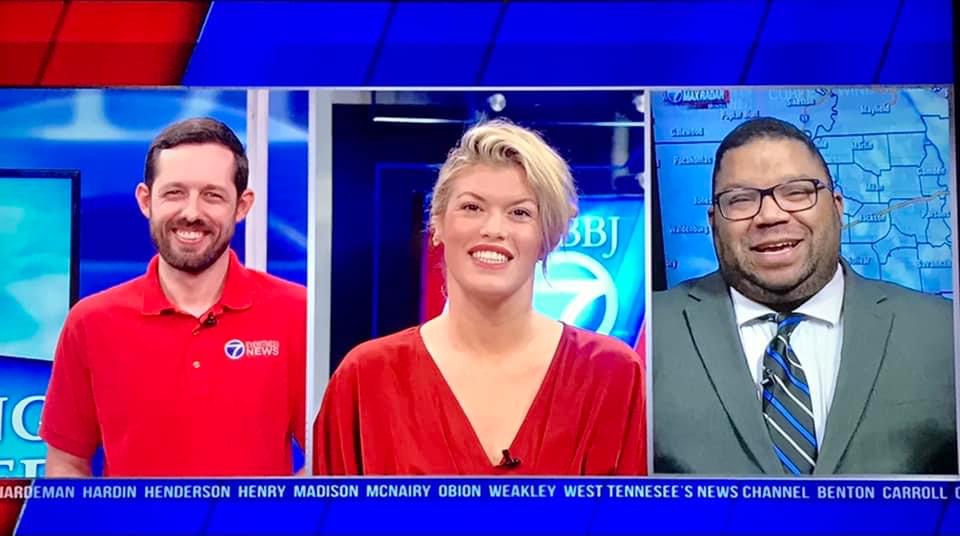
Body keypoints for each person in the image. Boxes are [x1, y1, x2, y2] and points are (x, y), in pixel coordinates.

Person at [313, 119, 646, 475]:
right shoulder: (366, 378)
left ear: (548, 237)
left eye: (520, 213)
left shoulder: (613, 374)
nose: (494, 229)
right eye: (472, 207)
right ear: (437, 223)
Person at [653, 116, 957, 475]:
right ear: (713, 223)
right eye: (740, 200)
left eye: (797, 192)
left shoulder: (943, 331)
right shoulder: (649, 334)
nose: (770, 215)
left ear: (837, 207)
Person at [40, 118, 306, 477]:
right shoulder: (90, 322)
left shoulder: (297, 314)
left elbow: (330, 461)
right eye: (174, 193)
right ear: (145, 200)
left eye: (212, 195)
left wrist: (276, 511)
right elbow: (66, 464)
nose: (191, 213)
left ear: (242, 206)